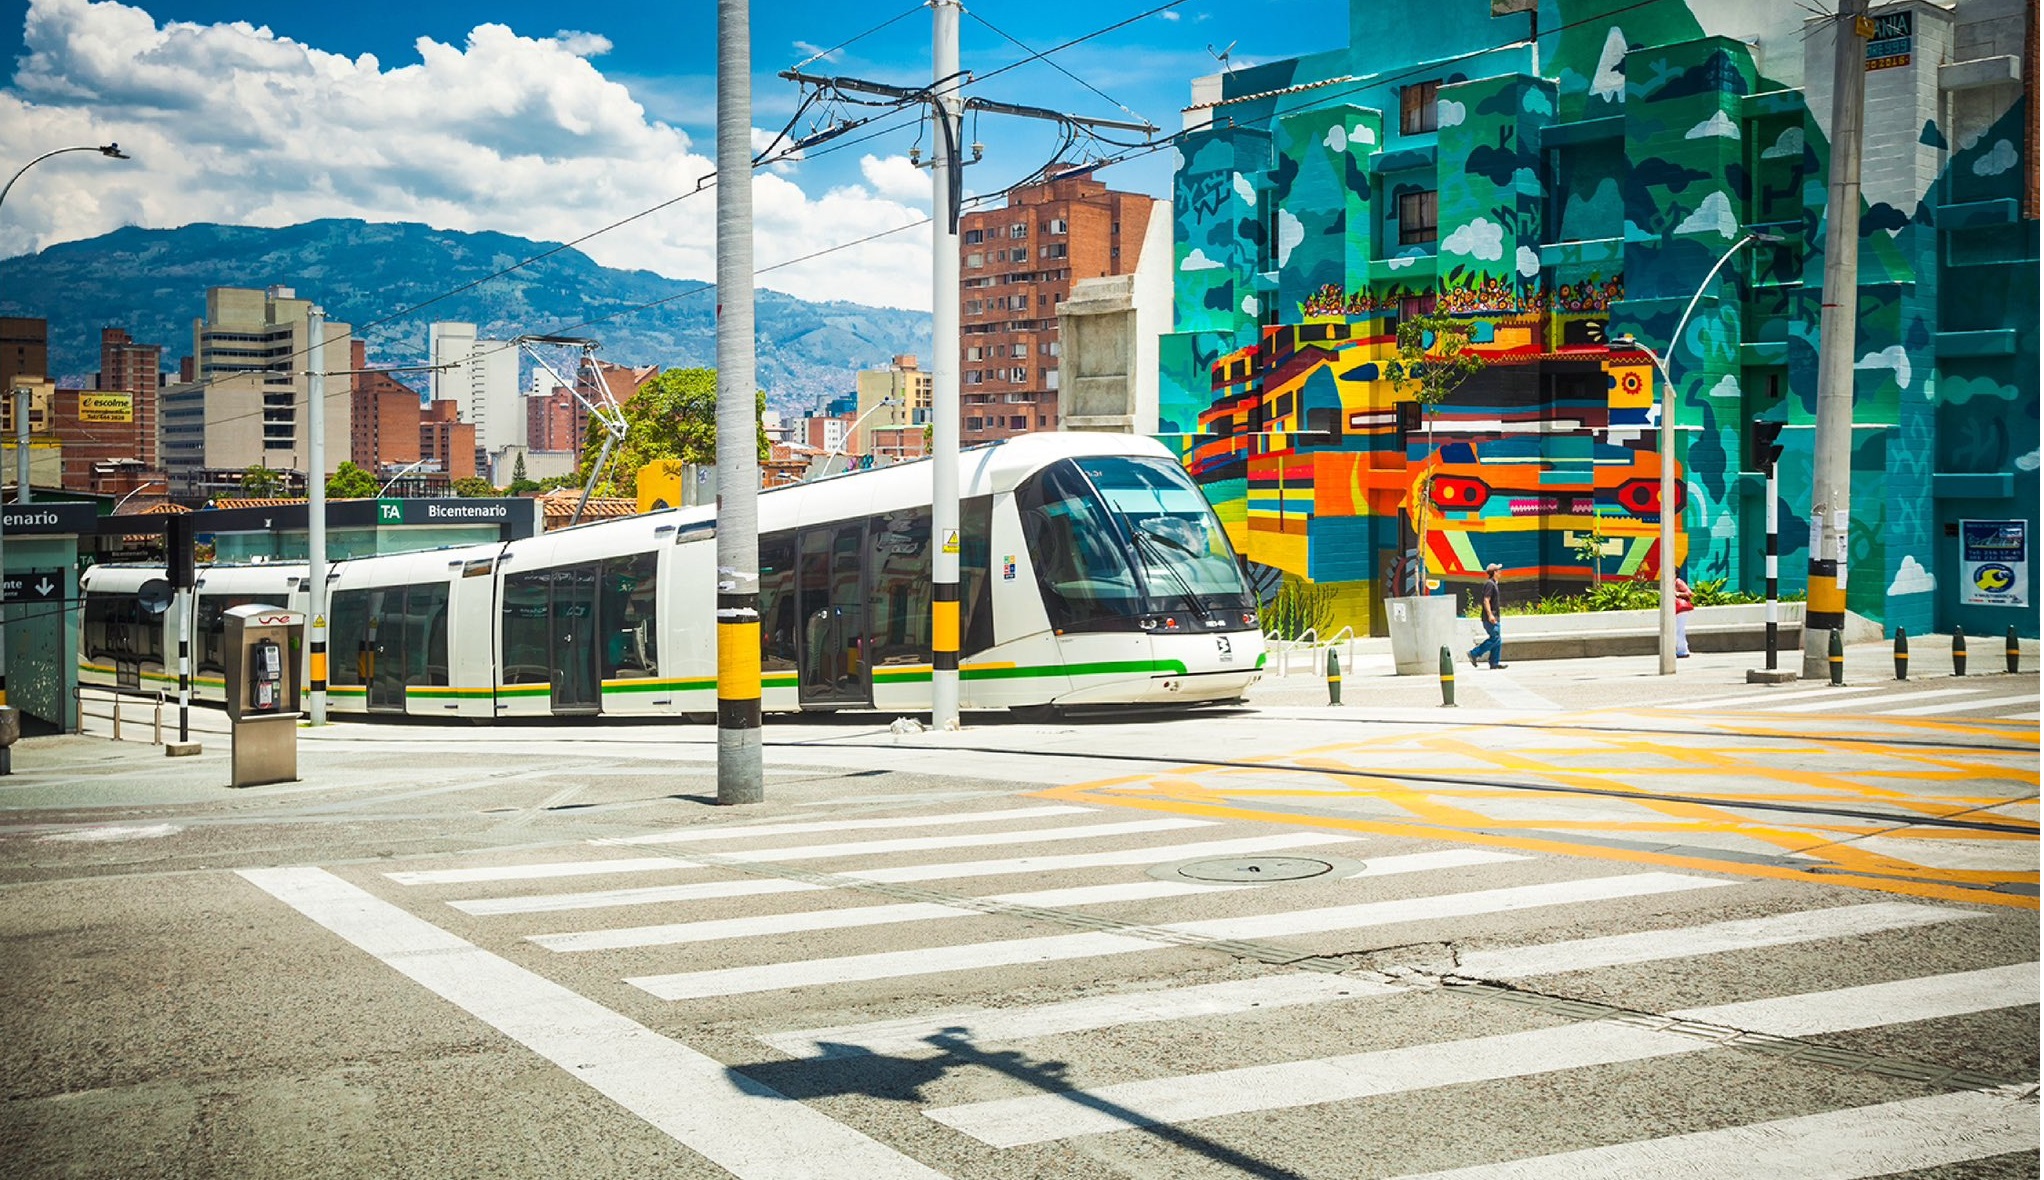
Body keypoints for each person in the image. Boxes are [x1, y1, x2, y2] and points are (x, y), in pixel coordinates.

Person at [1468, 562, 1505, 669]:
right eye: (1498, 570)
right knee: (1496, 638)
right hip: (1490, 617)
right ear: (1494, 572)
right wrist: (1490, 615)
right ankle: (1474, 653)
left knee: (1497, 639)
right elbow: (1486, 600)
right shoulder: (1490, 584)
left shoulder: (1494, 584)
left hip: (1494, 617)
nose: (1501, 572)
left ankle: (1494, 663)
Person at [1673, 572, 1694, 658]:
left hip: (1681, 609)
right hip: (1676, 610)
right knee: (1677, 630)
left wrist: (1678, 594)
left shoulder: (1678, 581)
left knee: (1679, 630)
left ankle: (1683, 651)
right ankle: (1681, 649)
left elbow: (1689, 593)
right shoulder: (1670, 583)